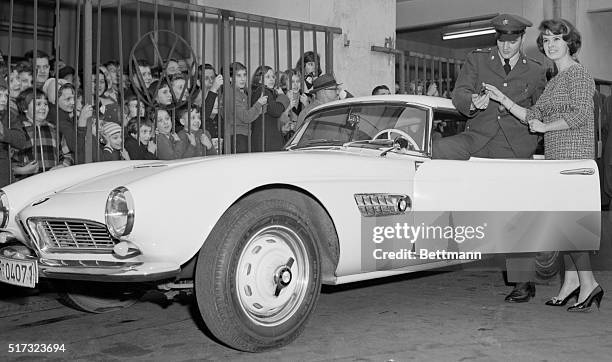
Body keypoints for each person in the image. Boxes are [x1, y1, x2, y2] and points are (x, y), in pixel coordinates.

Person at [485, 19, 603, 311]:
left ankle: (589, 284)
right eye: (547, 40)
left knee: (569, 224)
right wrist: (503, 99)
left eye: (557, 39)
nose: (550, 45)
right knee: (564, 223)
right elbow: (532, 114)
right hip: (557, 157)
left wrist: (544, 128)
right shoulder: (554, 79)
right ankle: (572, 283)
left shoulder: (578, 75)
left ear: (570, 43)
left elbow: (579, 116)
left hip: (574, 156)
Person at [432, 14, 547, 303]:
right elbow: (460, 92)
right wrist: (472, 101)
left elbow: (541, 110)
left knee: (516, 211)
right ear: (495, 38)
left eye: (512, 41)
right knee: (434, 152)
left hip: (514, 147)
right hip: (478, 138)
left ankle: (523, 282)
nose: (506, 47)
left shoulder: (535, 70)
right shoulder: (478, 60)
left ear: (522, 39)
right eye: (501, 40)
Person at [221, 62, 267, 153]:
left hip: (244, 135)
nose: (243, 79)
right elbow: (246, 117)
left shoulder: (243, 92)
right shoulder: (231, 93)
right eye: (238, 75)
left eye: (244, 75)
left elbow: (255, 112)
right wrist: (258, 104)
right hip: (237, 137)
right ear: (230, 78)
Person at [250, 65, 290, 152]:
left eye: (273, 77)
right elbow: (276, 111)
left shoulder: (263, 91)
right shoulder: (263, 90)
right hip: (267, 141)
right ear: (259, 79)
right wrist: (283, 96)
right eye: (267, 77)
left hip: (265, 140)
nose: (272, 79)